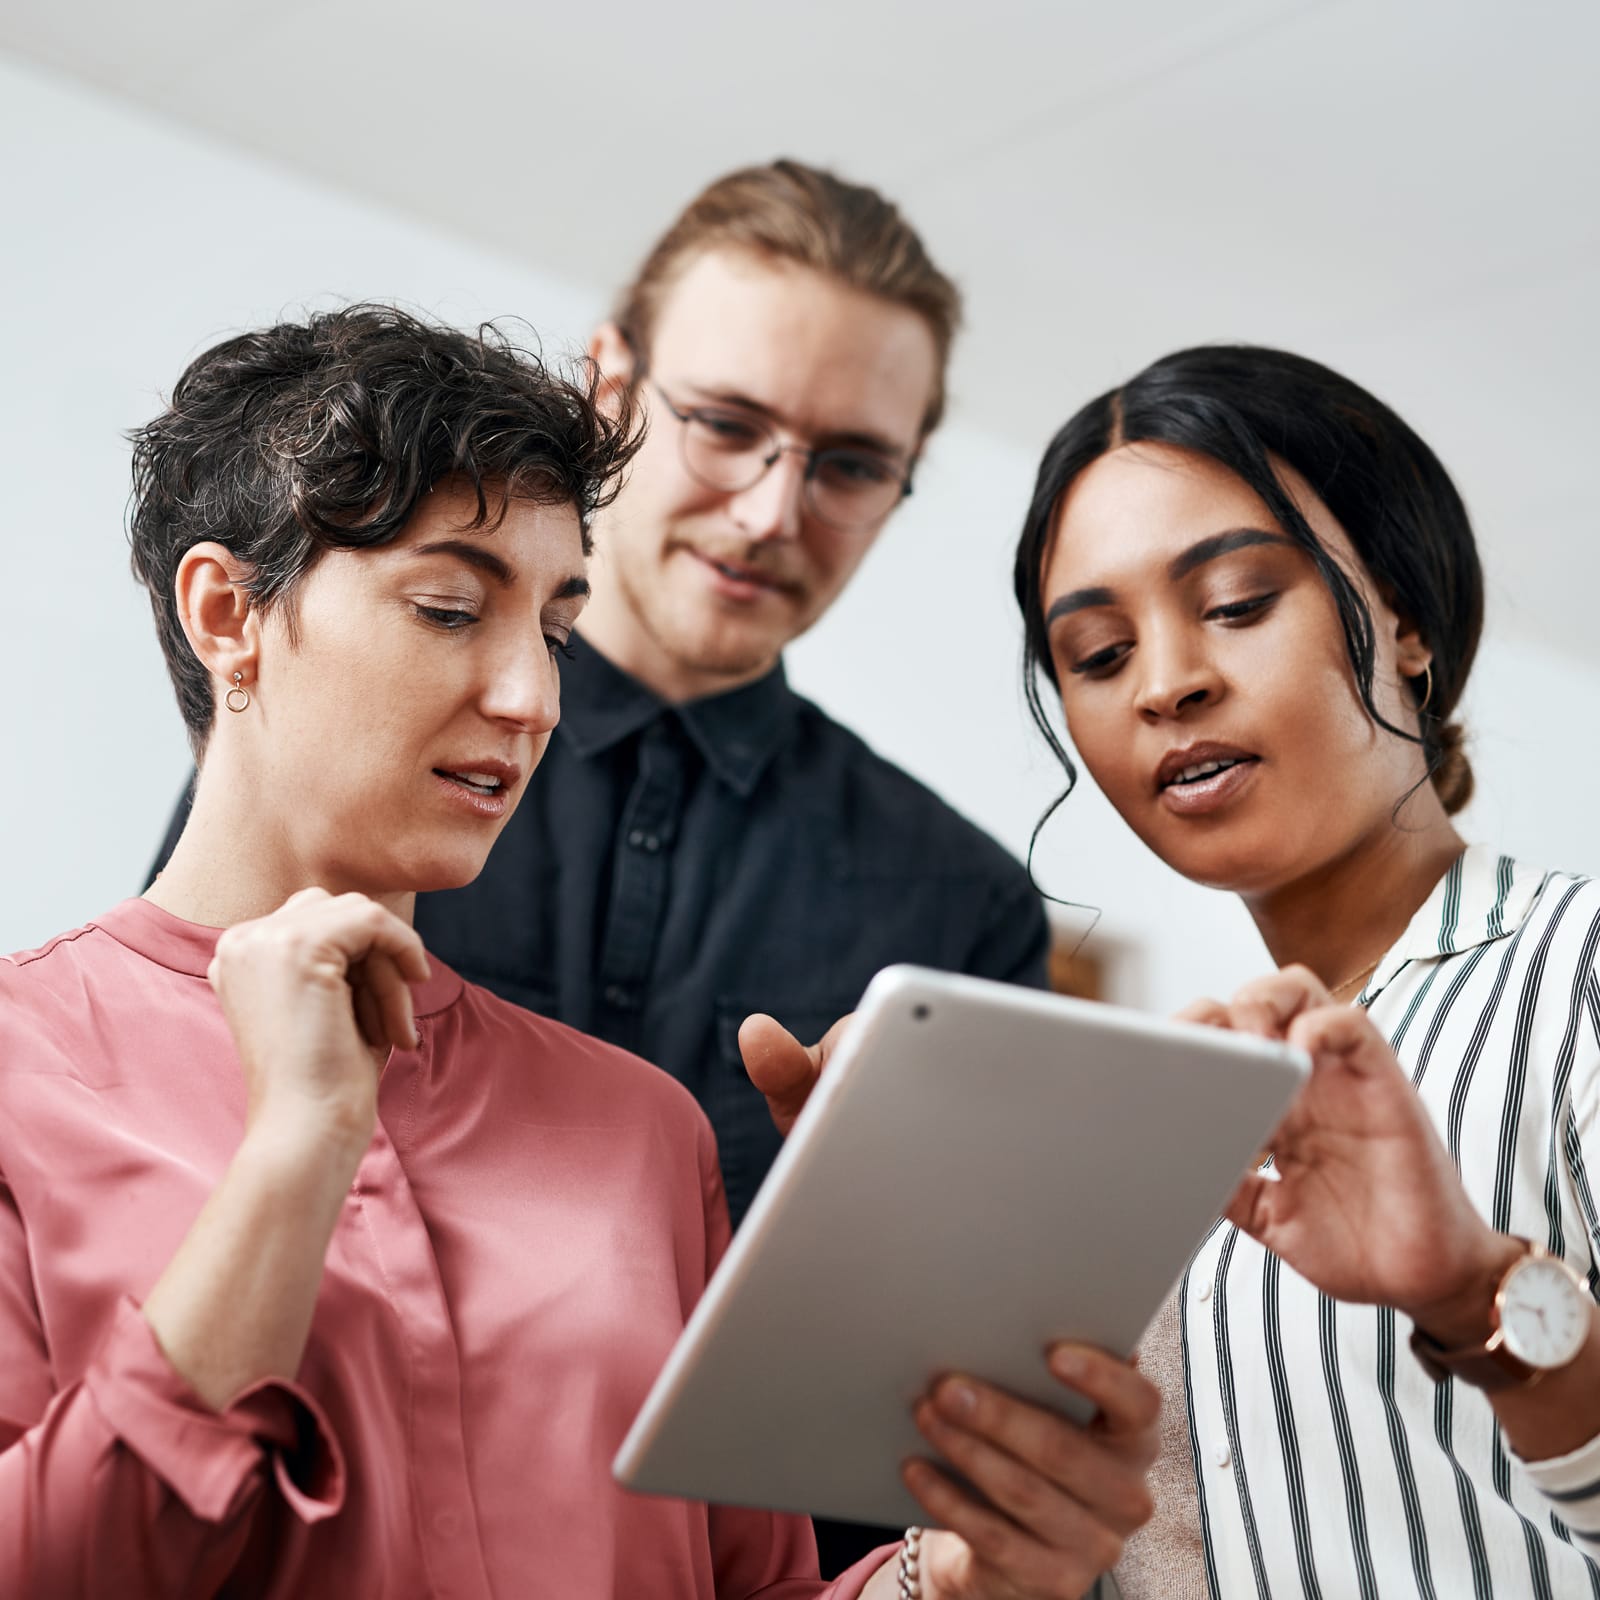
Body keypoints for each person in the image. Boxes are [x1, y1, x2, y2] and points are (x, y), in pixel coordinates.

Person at [2, 306, 1157, 1598]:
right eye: (449, 609)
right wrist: (294, 1156)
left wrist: (943, 1583)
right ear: (227, 614)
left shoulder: (642, 1132)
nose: (533, 699)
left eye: (554, 630)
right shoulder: (17, 1078)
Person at [1007, 343, 1600, 1596]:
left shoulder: (1574, 975)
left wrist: (1469, 1292)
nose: (1168, 683)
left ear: (1404, 617)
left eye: (1233, 602)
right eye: (1100, 657)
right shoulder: (1158, 1127)